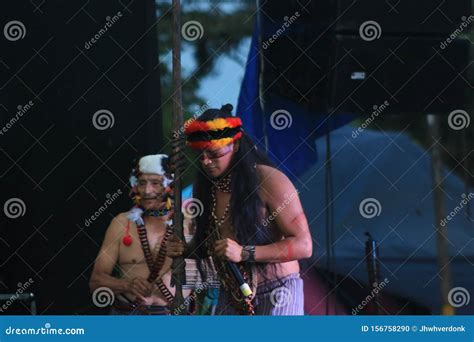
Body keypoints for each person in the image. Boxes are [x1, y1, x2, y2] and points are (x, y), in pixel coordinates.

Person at [167, 104, 313, 315]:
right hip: (233, 294)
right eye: (201, 155)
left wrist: (243, 252)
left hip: (279, 292)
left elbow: (304, 245)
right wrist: (187, 249)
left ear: (234, 146)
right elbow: (217, 245)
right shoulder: (208, 187)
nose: (206, 162)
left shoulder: (268, 180)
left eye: (214, 154)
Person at [89, 154, 191, 315]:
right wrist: (127, 284)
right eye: (142, 183)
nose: (146, 190)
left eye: (155, 183)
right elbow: (96, 281)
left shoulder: (189, 226)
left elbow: (209, 278)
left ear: (170, 186)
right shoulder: (122, 223)